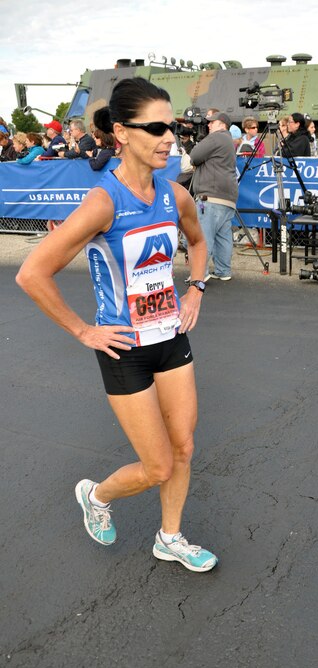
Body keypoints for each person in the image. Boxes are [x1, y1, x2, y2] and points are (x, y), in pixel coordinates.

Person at [15, 76, 218, 572]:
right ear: (123, 133)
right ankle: (97, 495)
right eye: (155, 127)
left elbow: (197, 243)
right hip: (124, 348)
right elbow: (32, 273)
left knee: (185, 446)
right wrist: (84, 331)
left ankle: (170, 537)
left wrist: (195, 290)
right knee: (157, 465)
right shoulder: (103, 202)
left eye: (171, 126)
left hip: (170, 337)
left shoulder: (175, 194)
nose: (169, 137)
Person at [189, 111, 238, 281]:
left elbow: (194, 157)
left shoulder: (216, 137)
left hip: (210, 196)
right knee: (223, 236)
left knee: (203, 235)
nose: (208, 125)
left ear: (221, 124)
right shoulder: (228, 140)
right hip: (227, 197)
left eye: (211, 122)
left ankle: (199, 274)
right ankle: (223, 271)